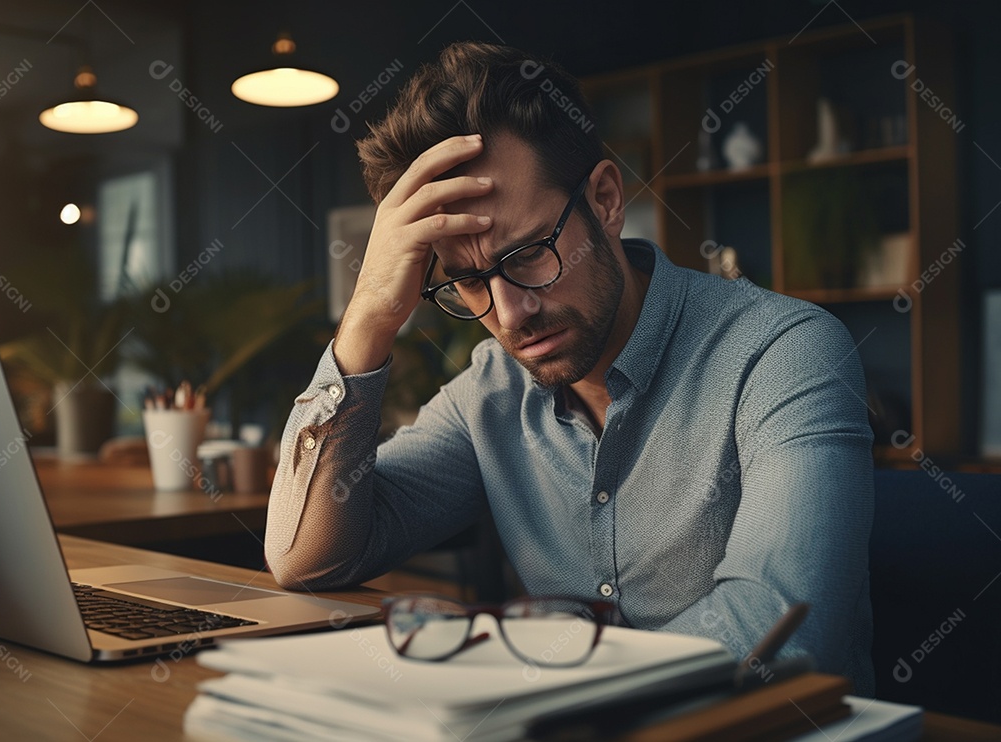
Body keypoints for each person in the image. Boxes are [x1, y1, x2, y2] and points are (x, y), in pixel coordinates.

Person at [264, 41, 875, 694]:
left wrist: (548, 697)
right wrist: (367, 322)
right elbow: (308, 562)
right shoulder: (489, 393)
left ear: (606, 200)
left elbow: (783, 626)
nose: (511, 314)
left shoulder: (785, 351)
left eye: (529, 252)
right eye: (470, 281)